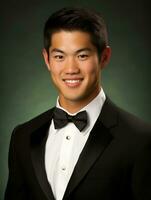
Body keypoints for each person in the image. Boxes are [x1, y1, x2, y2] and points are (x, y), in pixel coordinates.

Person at [5, 7, 151, 200]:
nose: (71, 68)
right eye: (59, 56)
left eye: (82, 55)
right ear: (47, 59)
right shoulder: (21, 137)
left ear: (104, 57)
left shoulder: (141, 139)